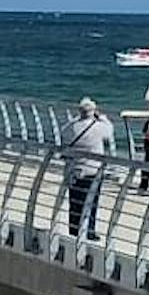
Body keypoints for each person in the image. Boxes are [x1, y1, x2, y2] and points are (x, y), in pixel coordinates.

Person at [62, 98, 115, 240]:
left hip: (74, 168)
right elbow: (109, 132)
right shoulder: (98, 127)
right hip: (92, 169)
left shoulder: (72, 127)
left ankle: (74, 229)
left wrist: (75, 119)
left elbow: (63, 132)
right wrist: (102, 118)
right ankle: (89, 230)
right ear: (93, 111)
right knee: (91, 201)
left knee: (75, 201)